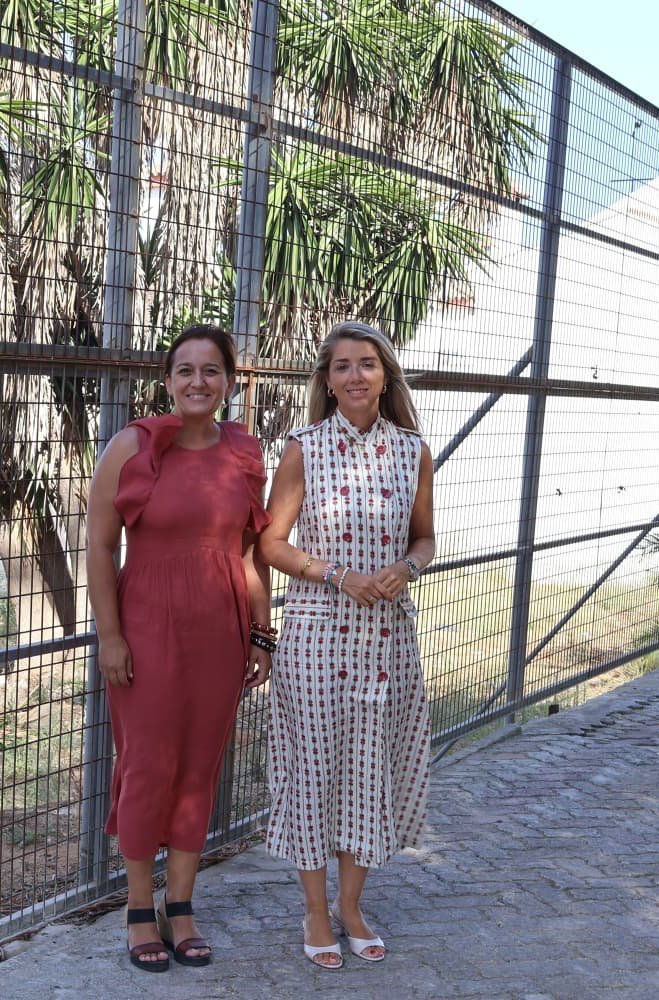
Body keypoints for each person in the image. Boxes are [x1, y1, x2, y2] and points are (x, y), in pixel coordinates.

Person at [85, 324, 274, 972]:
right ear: (168, 381)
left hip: (218, 634)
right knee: (146, 767)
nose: (198, 381)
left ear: (227, 380)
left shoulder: (245, 454)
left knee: (199, 770)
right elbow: (100, 547)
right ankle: (140, 911)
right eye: (186, 370)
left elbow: (248, 553)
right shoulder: (132, 448)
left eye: (211, 370)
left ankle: (182, 905)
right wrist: (110, 636)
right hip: (146, 630)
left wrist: (259, 632)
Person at [257, 320, 436, 971]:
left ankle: (352, 906)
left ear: (385, 374)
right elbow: (270, 544)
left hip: (387, 642)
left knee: (368, 772)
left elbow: (424, 539)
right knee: (314, 774)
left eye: (368, 363)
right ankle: (313, 910)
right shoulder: (303, 447)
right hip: (313, 638)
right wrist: (337, 575)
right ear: (327, 381)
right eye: (343, 366)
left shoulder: (413, 449)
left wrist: (406, 570)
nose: (356, 375)